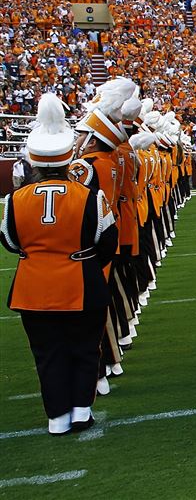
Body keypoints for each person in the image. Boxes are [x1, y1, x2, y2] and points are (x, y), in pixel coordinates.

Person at [1, 94, 118, 435]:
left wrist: (39, 253)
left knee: (47, 354)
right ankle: (82, 410)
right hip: (81, 280)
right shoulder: (89, 196)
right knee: (84, 347)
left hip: (32, 287)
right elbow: (106, 242)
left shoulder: (15, 199)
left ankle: (57, 417)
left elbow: (9, 241)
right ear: (69, 158)